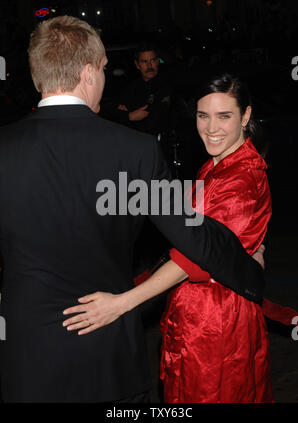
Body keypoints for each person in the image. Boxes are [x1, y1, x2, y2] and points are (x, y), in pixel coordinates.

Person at [0, 16, 264, 403]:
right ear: (88, 73)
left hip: (25, 352)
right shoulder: (132, 151)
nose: (105, 79)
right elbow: (192, 235)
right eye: (105, 69)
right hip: (105, 352)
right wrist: (248, 272)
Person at [63, 73, 274, 403]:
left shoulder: (241, 176)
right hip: (200, 313)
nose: (211, 128)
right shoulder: (217, 164)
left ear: (245, 116)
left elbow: (196, 255)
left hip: (217, 321)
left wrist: (121, 304)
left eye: (224, 116)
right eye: (203, 116)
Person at [117, 43, 173, 137]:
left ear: (158, 61)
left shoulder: (167, 84)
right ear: (137, 65)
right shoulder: (131, 87)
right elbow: (115, 112)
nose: (149, 66)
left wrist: (129, 115)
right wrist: (129, 116)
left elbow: (155, 117)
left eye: (153, 60)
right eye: (144, 61)